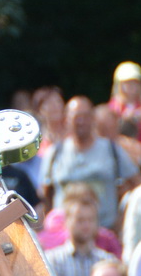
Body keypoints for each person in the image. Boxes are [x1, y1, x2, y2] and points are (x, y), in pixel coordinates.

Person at [45, 96, 135, 229]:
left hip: (105, 228)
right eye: (76, 117)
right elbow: (45, 195)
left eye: (85, 116)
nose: (80, 121)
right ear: (66, 120)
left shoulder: (111, 149)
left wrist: (122, 219)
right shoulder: (55, 152)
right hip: (64, 232)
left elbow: (136, 184)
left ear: (93, 119)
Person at [42, 185, 109, 276]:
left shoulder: (106, 261)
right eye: (80, 220)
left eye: (91, 219)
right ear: (66, 221)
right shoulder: (52, 260)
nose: (86, 225)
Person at [108, 60, 141, 145]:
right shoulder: (113, 107)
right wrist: (125, 120)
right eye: (127, 83)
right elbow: (109, 134)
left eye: (135, 82)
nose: (131, 86)